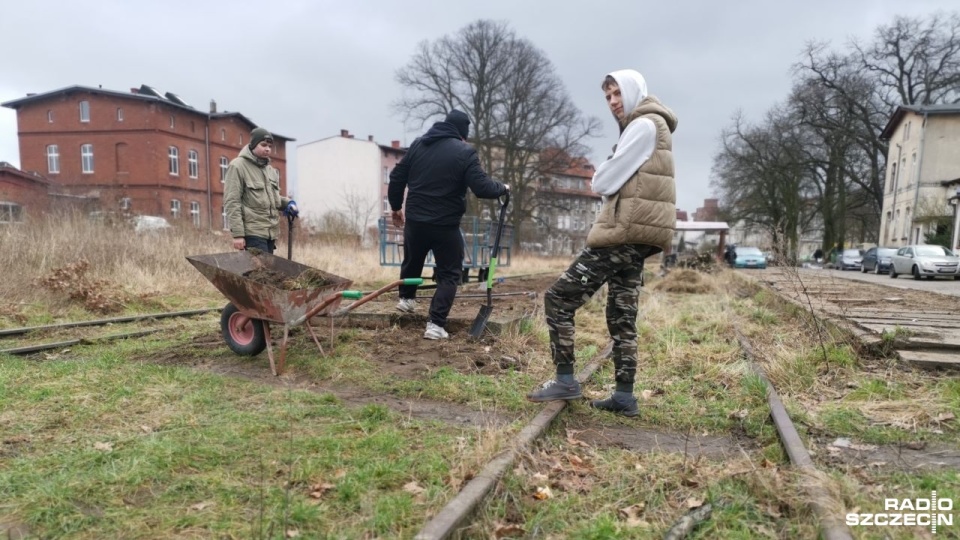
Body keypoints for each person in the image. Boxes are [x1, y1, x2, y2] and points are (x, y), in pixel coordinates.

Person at [526, 69, 678, 416]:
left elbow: (602, 181)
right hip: (640, 235)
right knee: (622, 315)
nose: (612, 102)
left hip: (622, 233)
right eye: (608, 96)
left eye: (617, 94)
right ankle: (625, 397)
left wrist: (606, 166)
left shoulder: (643, 126)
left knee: (558, 299)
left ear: (633, 91)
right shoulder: (654, 126)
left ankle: (565, 380)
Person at [388, 109, 508, 340]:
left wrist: (395, 208)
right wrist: (503, 188)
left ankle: (406, 299)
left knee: (413, 259)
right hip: (444, 225)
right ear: (463, 133)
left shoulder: (418, 145)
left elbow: (396, 177)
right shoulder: (465, 152)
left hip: (415, 219)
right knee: (450, 274)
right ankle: (435, 324)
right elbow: (482, 187)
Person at [224, 127, 298, 254]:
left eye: (270, 146)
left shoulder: (270, 170)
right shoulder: (238, 166)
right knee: (260, 272)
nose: (267, 149)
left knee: (266, 272)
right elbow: (232, 201)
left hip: (270, 233)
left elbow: (272, 199)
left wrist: (288, 203)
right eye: (263, 145)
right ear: (253, 145)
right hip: (252, 233)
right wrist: (238, 235)